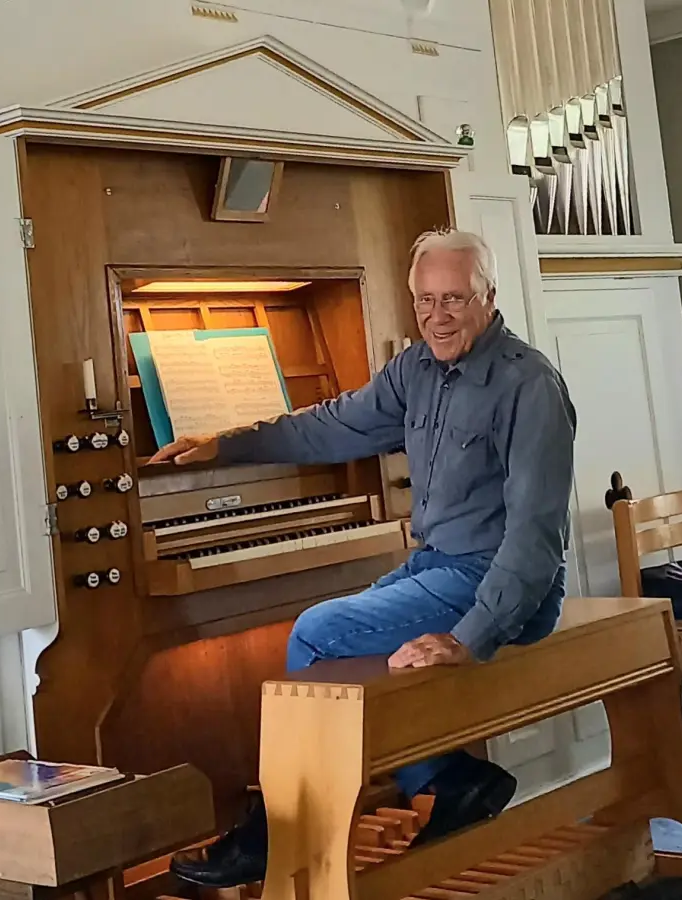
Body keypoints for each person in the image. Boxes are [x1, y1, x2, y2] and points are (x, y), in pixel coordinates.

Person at [155, 228, 578, 889]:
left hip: (502, 583)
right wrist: (226, 444)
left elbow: (535, 536)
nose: (437, 317)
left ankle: (282, 832)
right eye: (424, 301)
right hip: (439, 565)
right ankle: (446, 778)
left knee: (318, 634)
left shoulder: (530, 386)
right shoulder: (416, 370)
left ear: (489, 298)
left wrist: (469, 638)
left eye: (455, 300)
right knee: (347, 649)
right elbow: (329, 425)